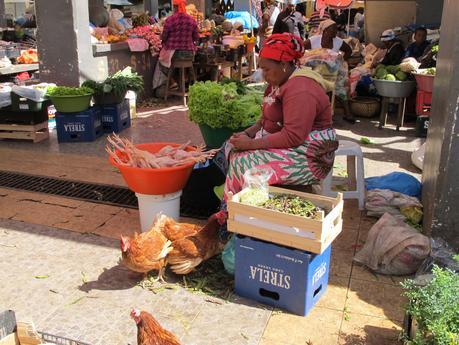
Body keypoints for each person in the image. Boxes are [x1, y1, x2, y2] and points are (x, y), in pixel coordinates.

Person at [212, 33, 338, 242]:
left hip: (309, 155)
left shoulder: (301, 89)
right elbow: (265, 119)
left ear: (286, 65)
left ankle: (232, 221)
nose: (264, 74)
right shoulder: (278, 82)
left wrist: (251, 145)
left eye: (267, 69)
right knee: (228, 147)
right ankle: (236, 211)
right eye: (262, 68)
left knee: (244, 162)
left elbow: (293, 136)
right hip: (292, 145)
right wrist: (247, 133)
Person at [304, 20, 355, 123]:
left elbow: (349, 50)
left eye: (336, 29)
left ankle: (347, 112)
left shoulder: (338, 41)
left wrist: (341, 60)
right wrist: (309, 58)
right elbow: (300, 47)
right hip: (316, 72)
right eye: (333, 29)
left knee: (340, 86)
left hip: (333, 72)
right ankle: (314, 112)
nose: (336, 31)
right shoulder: (314, 40)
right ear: (325, 30)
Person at [153, 0, 199, 92]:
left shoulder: (170, 20)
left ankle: (172, 81)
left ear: (175, 8)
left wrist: (162, 38)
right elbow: (196, 38)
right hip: (189, 55)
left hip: (174, 54)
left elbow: (164, 37)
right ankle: (182, 80)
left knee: (161, 62)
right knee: (178, 65)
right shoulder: (192, 20)